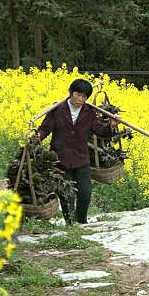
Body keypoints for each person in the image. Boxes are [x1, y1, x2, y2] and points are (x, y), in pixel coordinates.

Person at [33, 78, 118, 224]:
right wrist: (38, 137)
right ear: (71, 93)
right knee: (67, 195)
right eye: (78, 95)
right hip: (60, 158)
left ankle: (81, 222)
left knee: (85, 193)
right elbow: (45, 128)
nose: (81, 99)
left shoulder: (89, 111)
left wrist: (111, 125)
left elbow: (99, 130)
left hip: (81, 159)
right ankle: (71, 224)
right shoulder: (57, 109)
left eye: (84, 96)